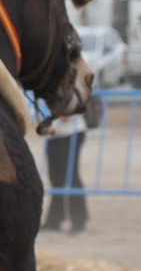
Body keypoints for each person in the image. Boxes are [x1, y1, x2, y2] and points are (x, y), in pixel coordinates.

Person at [42, 93, 101, 235]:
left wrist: (66, 110)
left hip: (71, 131)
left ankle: (79, 221)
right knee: (56, 178)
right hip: (55, 133)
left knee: (71, 176)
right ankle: (55, 219)